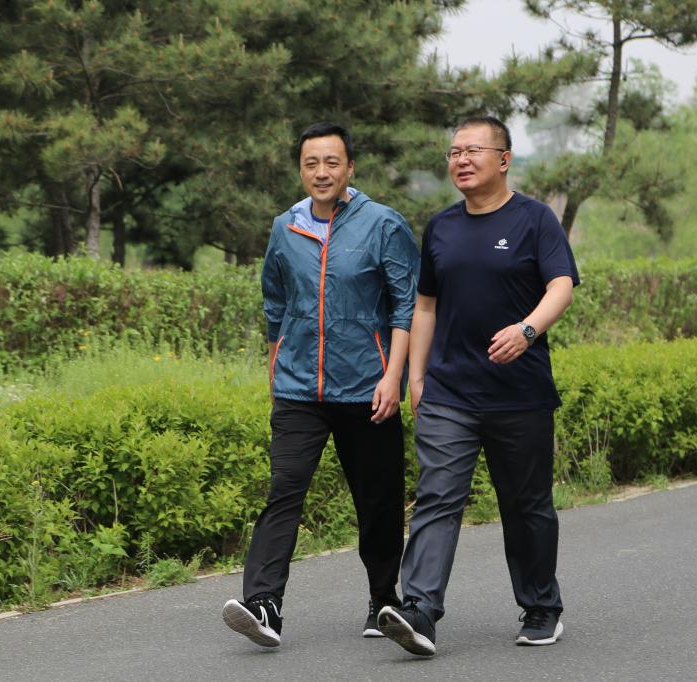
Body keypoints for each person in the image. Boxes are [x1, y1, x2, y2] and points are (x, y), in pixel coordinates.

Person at [377, 116, 579, 656]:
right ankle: (420, 611)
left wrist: (527, 330)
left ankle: (541, 606)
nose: (460, 160)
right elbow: (425, 306)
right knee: (436, 499)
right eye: (453, 152)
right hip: (449, 393)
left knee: (526, 505)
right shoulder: (441, 227)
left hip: (520, 395)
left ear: (504, 159)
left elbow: (562, 285)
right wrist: (416, 375)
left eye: (472, 150)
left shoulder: (535, 220)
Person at [223, 122, 420, 648]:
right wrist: (275, 371)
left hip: (367, 388)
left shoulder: (383, 224)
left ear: (350, 167)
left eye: (332, 162)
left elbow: (405, 307)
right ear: (301, 169)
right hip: (297, 392)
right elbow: (275, 303)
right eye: (311, 163)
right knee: (283, 493)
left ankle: (383, 599)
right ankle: (264, 604)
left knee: (377, 502)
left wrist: (393, 376)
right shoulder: (285, 227)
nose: (321, 172)